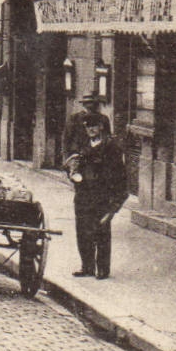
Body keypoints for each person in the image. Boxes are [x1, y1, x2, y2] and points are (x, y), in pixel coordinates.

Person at [70, 118, 127, 279]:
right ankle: (86, 266)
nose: (91, 129)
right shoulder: (83, 146)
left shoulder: (111, 147)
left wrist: (115, 202)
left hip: (102, 196)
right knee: (82, 232)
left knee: (101, 231)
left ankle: (102, 269)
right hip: (83, 196)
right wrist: (73, 175)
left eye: (94, 125)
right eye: (88, 126)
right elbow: (74, 166)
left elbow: (120, 175)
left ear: (101, 127)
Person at [61, 90, 112, 164]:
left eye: (92, 103)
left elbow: (107, 137)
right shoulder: (74, 119)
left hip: (98, 158)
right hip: (77, 156)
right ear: (83, 104)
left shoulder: (103, 119)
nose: (90, 106)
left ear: (96, 104)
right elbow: (66, 139)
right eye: (87, 103)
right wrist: (66, 159)